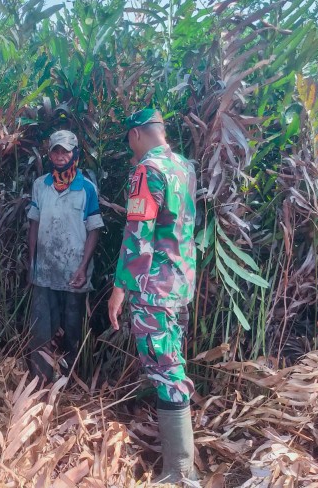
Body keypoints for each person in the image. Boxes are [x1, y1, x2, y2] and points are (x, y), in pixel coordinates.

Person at [108, 109, 198, 484]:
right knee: (172, 364)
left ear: (136, 135)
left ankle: (179, 472)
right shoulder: (185, 168)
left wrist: (118, 289)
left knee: (167, 371)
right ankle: (180, 465)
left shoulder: (148, 170)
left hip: (153, 288)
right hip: (181, 284)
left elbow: (137, 235)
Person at [27, 130, 104, 382]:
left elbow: (94, 229)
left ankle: (71, 382)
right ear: (49, 154)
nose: (60, 156)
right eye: (55, 151)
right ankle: (41, 380)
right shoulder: (41, 185)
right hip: (45, 271)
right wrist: (32, 263)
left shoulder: (87, 188)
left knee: (73, 330)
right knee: (41, 328)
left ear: (75, 154)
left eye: (65, 151)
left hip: (75, 273)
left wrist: (83, 267)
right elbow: (34, 225)